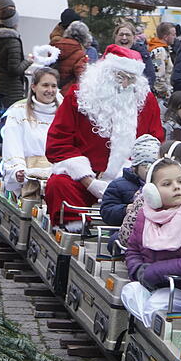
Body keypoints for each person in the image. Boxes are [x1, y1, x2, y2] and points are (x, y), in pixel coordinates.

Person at [44, 44, 164, 229]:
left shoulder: (146, 102)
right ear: (104, 73)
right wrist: (88, 180)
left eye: (131, 79)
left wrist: (126, 175)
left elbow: (154, 145)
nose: (124, 85)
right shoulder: (78, 96)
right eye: (119, 77)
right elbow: (58, 143)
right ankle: (75, 229)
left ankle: (133, 231)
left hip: (128, 180)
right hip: (83, 179)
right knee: (58, 184)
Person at [120, 157, 181, 325]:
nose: (176, 187)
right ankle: (148, 325)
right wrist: (138, 270)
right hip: (151, 284)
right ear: (152, 193)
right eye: (167, 184)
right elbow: (133, 250)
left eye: (180, 181)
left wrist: (154, 271)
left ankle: (146, 329)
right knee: (129, 291)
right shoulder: (146, 215)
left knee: (156, 305)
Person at [0, 67, 61, 198]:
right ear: (33, 87)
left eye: (53, 86)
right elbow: (12, 144)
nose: (50, 90)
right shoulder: (18, 112)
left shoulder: (64, 113)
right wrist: (18, 170)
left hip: (57, 177)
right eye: (45, 85)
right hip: (29, 178)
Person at [100, 135, 161, 226]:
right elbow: (106, 211)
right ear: (134, 167)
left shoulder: (162, 184)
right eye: (146, 165)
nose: (151, 170)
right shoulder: (118, 185)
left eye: (155, 165)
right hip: (126, 230)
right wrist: (125, 209)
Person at [114, 21, 156, 87]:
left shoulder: (142, 55)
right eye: (121, 35)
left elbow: (150, 78)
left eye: (128, 35)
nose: (124, 38)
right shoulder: (109, 54)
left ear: (134, 37)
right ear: (115, 36)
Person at [52, 21, 91, 91]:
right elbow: (82, 77)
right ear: (84, 37)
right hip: (68, 92)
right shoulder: (80, 53)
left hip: (52, 90)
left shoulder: (55, 46)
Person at [149, 22, 177, 100]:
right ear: (165, 37)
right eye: (173, 34)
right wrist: (167, 94)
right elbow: (158, 75)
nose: (175, 37)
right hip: (160, 98)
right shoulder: (159, 52)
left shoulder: (161, 50)